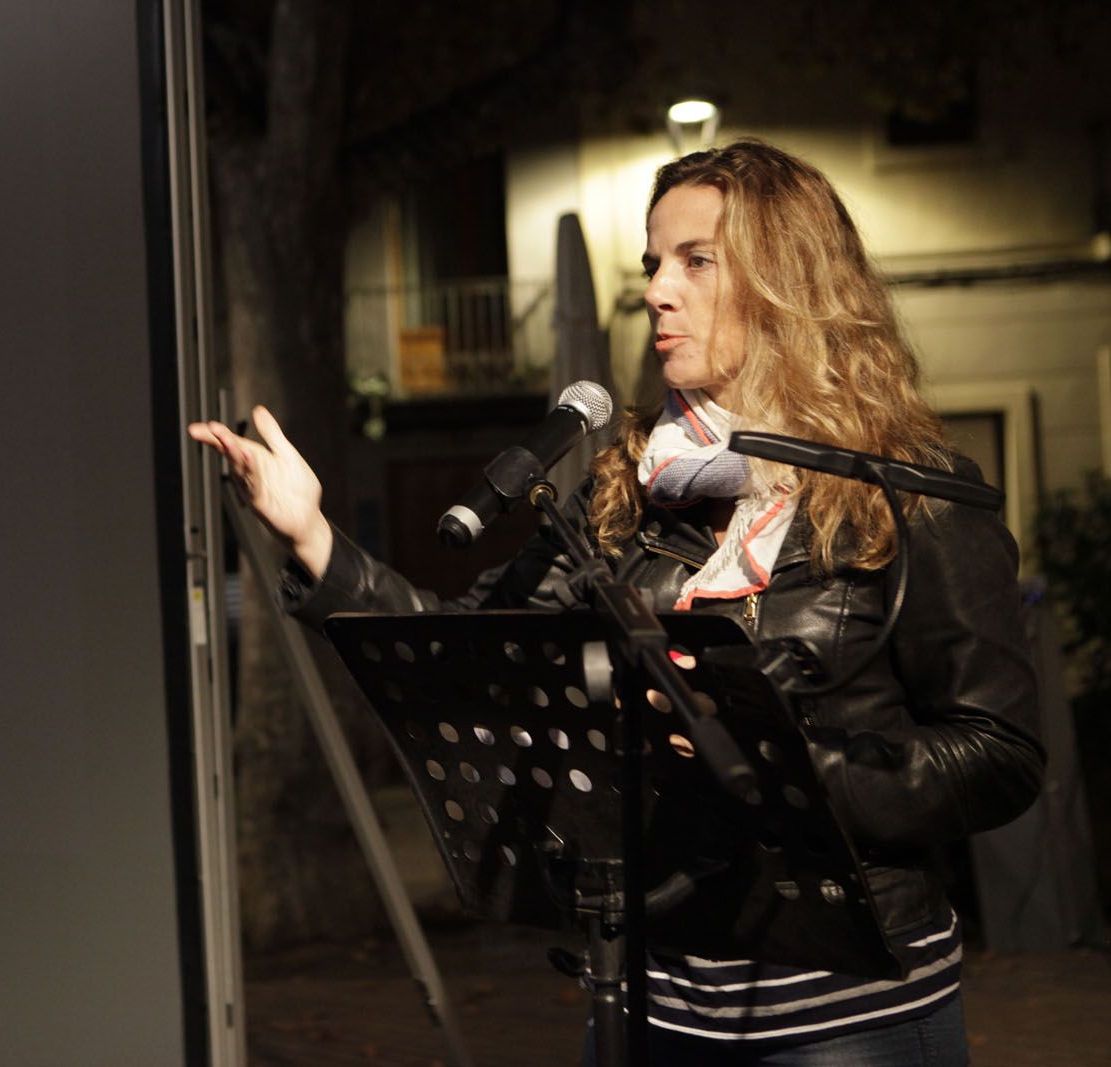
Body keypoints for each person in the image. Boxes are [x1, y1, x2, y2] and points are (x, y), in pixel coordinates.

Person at [189, 139, 1043, 1065]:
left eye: (696, 260)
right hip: (652, 1002)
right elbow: (469, 650)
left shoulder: (909, 492)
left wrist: (789, 770)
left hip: (849, 1019)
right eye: (652, 263)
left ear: (789, 279)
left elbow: (998, 753)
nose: (659, 289)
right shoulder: (627, 491)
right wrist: (314, 537)